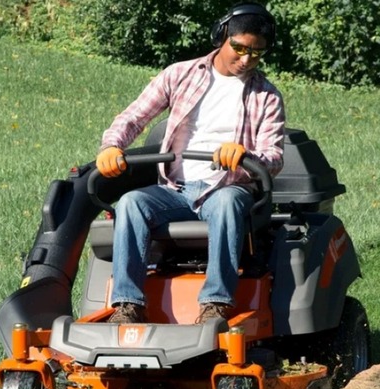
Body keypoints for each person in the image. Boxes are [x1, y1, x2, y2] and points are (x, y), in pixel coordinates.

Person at [95, 2, 285, 324]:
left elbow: (274, 157)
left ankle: (215, 305)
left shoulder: (267, 96)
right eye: (239, 48)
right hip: (175, 189)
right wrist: (112, 146)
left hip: (226, 188)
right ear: (221, 36)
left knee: (226, 203)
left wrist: (245, 156)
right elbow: (134, 116)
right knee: (130, 203)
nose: (246, 59)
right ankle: (127, 305)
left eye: (256, 53)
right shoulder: (179, 74)